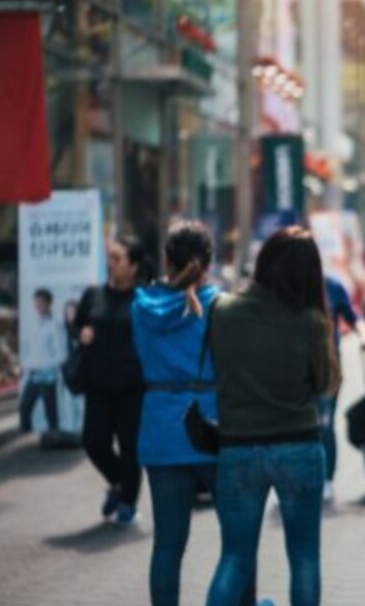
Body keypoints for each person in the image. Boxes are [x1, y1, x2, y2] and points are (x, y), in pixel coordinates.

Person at [206, 226, 336, 606]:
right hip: (298, 445)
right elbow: (326, 384)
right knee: (305, 559)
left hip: (238, 448)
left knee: (235, 557)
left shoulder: (223, 310)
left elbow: (216, 371)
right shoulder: (310, 320)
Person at [131, 222, 225, 606]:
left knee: (167, 546)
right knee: (237, 542)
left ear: (167, 260)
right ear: (208, 262)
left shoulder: (141, 307)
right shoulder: (219, 304)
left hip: (161, 430)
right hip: (213, 428)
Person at [74, 236, 148, 526]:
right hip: (98, 386)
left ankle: (128, 502)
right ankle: (120, 483)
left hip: (132, 389)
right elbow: (78, 323)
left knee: (131, 449)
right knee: (93, 442)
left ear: (134, 266)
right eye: (110, 258)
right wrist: (81, 332)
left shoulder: (144, 299)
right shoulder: (93, 295)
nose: (111, 264)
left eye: (118, 259)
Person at [321, 274, 359, 503]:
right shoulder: (289, 284)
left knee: (325, 424)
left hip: (329, 368)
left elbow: (351, 318)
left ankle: (327, 478)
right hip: (297, 370)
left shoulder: (333, 286)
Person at [19, 288, 66, 433]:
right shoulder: (33, 325)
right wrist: (26, 364)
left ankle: (55, 443)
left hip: (47, 377)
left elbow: (62, 355)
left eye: (41, 302)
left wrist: (44, 367)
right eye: (36, 303)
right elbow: (27, 349)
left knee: (50, 413)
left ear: (49, 303)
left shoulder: (55, 326)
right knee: (24, 409)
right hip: (32, 376)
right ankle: (25, 442)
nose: (38, 306)